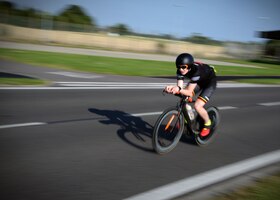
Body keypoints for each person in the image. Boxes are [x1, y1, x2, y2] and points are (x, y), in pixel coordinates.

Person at [165, 53, 217, 137]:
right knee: (183, 97)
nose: (181, 69)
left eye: (183, 67)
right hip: (198, 82)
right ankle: (188, 120)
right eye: (179, 67)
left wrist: (180, 90)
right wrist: (171, 89)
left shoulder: (196, 71)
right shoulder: (180, 71)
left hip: (209, 82)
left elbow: (188, 92)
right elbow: (180, 88)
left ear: (189, 66)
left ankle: (208, 124)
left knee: (197, 106)